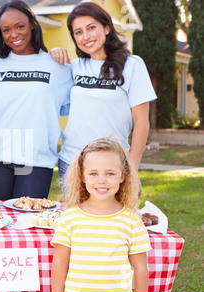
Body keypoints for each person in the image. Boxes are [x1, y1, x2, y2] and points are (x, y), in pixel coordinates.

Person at [50, 2, 157, 194]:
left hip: (112, 167)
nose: (86, 36)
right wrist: (52, 55)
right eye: (78, 32)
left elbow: (141, 122)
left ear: (106, 28)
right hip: (73, 163)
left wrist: (132, 170)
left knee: (112, 222)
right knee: (75, 221)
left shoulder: (132, 65)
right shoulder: (73, 67)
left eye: (91, 28)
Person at [0, 0, 72, 200]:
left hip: (37, 159)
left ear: (32, 24)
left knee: (28, 220)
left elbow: (68, 107)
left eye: (19, 26)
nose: (14, 34)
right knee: (1, 220)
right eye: (6, 30)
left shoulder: (58, 66)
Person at [51, 138, 151, 292]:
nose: (101, 180)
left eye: (110, 173)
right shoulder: (69, 219)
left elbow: (140, 268)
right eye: (93, 173)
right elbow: (60, 264)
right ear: (82, 176)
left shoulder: (132, 221)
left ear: (123, 176)